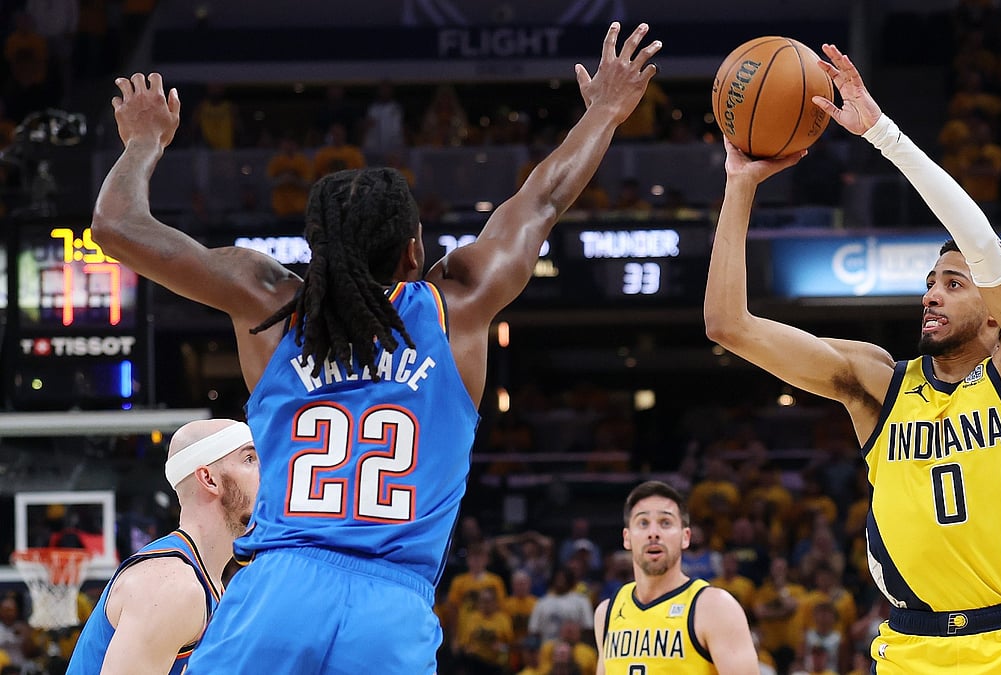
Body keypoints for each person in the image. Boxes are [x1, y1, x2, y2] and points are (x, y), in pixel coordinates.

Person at [91, 21, 661, 674]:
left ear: (316, 251)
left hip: (277, 593)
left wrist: (142, 142)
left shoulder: (270, 304)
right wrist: (608, 111)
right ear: (415, 249)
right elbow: (542, 200)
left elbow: (116, 226)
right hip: (391, 608)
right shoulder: (460, 304)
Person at [704, 43, 1001, 674]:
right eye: (931, 281)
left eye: (954, 283)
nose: (932, 293)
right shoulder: (877, 385)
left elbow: (983, 244)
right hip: (907, 650)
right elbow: (727, 325)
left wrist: (882, 134)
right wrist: (739, 188)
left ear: (996, 313)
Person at [65, 419, 259, 674]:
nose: (267, 473)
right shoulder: (172, 585)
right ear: (209, 479)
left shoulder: (204, 583)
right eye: (249, 459)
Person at [595, 481, 759, 674]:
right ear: (627, 537)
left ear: (685, 537)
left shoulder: (715, 608)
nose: (653, 533)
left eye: (665, 523)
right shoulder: (606, 613)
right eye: (643, 523)